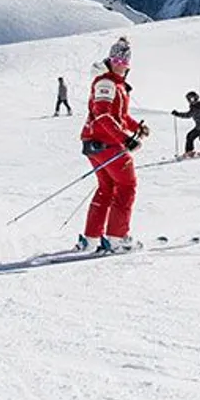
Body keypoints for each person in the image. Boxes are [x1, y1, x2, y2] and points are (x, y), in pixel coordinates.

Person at [79, 37, 147, 253]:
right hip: (106, 143)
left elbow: (120, 115)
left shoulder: (116, 84)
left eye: (125, 62)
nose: (121, 65)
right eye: (117, 60)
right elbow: (102, 116)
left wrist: (136, 128)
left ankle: (91, 239)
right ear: (110, 60)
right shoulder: (106, 83)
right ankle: (117, 238)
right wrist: (125, 139)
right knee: (126, 186)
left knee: (106, 188)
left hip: (97, 143)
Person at [171, 92, 200, 156]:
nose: (190, 101)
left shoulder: (197, 106)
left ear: (196, 98)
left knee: (190, 136)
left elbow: (188, 115)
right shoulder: (198, 105)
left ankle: (190, 151)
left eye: (191, 99)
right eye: (188, 99)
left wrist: (177, 114)